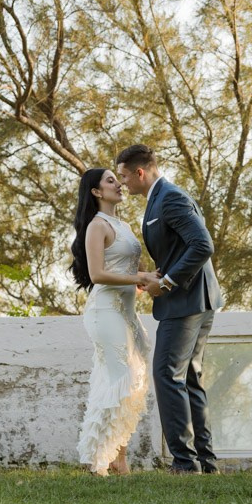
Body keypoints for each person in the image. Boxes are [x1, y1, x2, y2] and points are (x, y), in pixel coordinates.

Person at [115, 144, 224, 474]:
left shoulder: (170, 198)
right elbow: (179, 247)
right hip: (194, 299)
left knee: (166, 374)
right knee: (189, 378)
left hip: (187, 301)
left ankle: (184, 463)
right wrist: (157, 275)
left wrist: (168, 283)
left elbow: (202, 245)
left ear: (140, 172)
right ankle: (205, 461)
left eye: (124, 176)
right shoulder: (159, 199)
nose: (121, 183)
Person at [70, 168, 158, 476]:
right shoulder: (97, 225)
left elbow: (123, 268)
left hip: (126, 312)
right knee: (122, 378)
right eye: (110, 180)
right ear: (96, 192)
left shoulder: (124, 226)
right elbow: (97, 274)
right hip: (105, 311)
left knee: (133, 382)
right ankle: (100, 462)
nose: (118, 184)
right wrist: (139, 276)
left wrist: (146, 280)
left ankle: (118, 460)